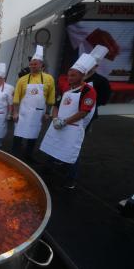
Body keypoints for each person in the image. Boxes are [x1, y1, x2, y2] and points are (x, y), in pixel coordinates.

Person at [40, 53, 97, 189]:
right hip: (58, 124)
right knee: (53, 147)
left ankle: (71, 179)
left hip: (72, 128)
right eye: (69, 75)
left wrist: (65, 122)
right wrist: (55, 118)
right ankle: (49, 169)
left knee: (71, 153)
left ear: (82, 75)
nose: (70, 78)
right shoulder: (66, 88)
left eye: (73, 75)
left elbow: (83, 112)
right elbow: (55, 105)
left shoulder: (89, 90)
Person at [12, 45, 55, 163]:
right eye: (31, 64)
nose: (32, 66)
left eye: (35, 64)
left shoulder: (49, 79)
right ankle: (14, 155)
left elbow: (51, 98)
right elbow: (16, 98)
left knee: (33, 135)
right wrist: (15, 112)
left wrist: (47, 113)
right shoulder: (22, 80)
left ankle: (28, 155)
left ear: (41, 65)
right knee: (18, 134)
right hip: (24, 112)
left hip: (38, 114)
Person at [58, 45, 111, 130]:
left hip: (86, 113)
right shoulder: (74, 77)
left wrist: (87, 102)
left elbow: (103, 100)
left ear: (96, 66)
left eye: (93, 65)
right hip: (66, 111)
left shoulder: (102, 81)